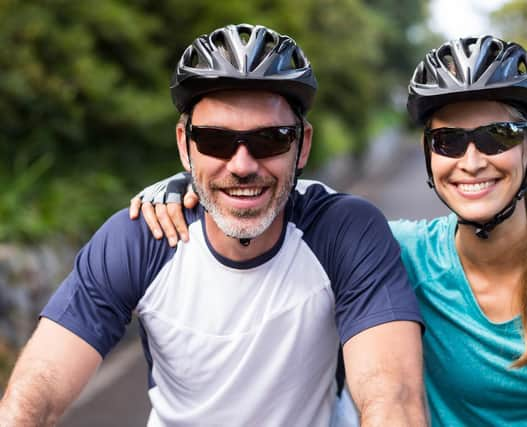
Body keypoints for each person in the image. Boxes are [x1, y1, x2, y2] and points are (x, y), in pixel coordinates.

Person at [133, 35, 527, 426]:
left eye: (496, 136)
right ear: (428, 151)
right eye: (448, 141)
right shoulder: (397, 252)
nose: (471, 160)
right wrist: (188, 183)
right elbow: (273, 207)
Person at [0, 24, 427, 427]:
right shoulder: (139, 237)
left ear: (302, 147)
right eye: (216, 141)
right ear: (185, 147)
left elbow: (392, 399)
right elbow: (34, 393)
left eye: (271, 139)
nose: (242, 165)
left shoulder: (344, 231)